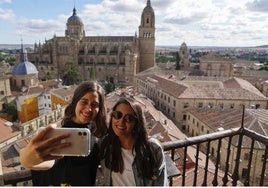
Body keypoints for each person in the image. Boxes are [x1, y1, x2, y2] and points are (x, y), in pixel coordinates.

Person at [19, 81, 108, 186]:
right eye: (84, 102)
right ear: (75, 102)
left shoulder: (96, 132)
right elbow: (51, 161)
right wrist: (27, 159)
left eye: (94, 105)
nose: (89, 109)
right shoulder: (61, 133)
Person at [99, 97, 168, 186]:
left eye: (129, 118)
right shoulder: (105, 146)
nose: (121, 121)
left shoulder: (153, 149)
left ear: (137, 123)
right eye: (117, 115)